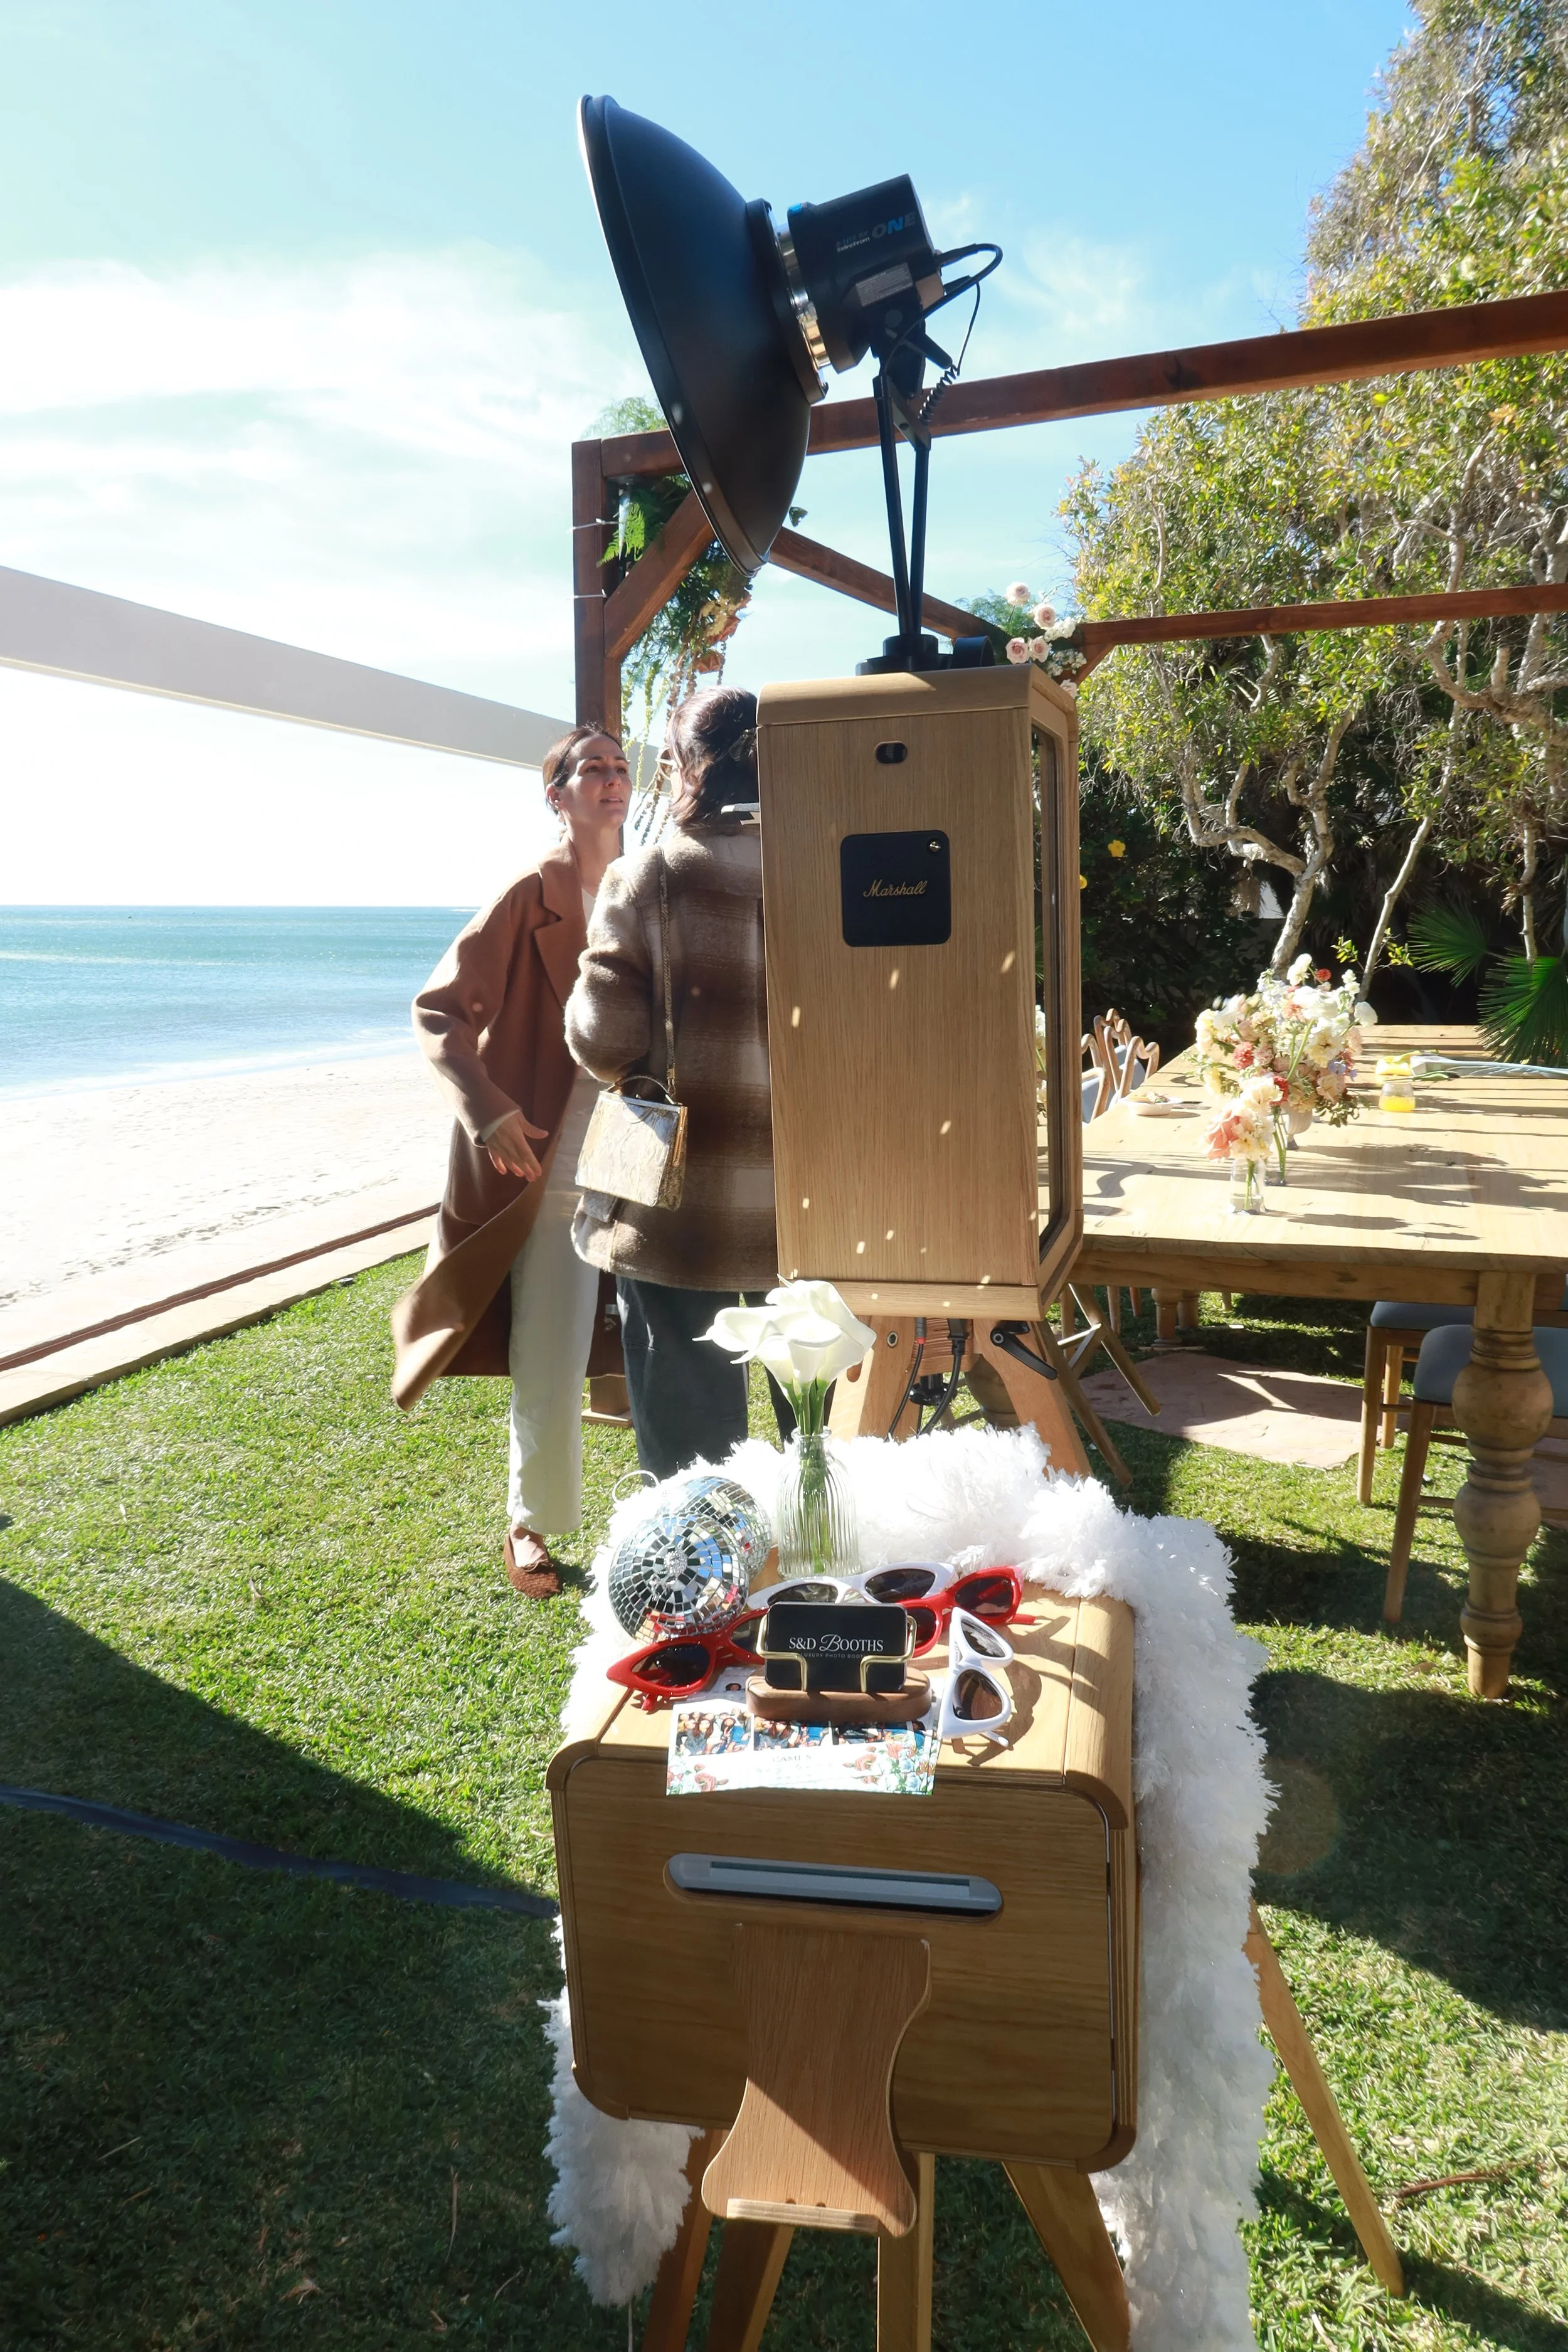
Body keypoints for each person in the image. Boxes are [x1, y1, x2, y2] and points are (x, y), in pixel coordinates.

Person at [391, 727, 630, 1596]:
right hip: (552, 1148)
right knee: (551, 1337)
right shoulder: (528, 895)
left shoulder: (645, 885)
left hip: (641, 1141)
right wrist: (487, 1110)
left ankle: (672, 1506)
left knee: (651, 1330)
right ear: (556, 796)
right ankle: (530, 1522)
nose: (610, 778)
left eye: (618, 765)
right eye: (590, 768)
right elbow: (438, 1010)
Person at [565, 688, 793, 1478]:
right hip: (809, 1196)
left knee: (689, 1442)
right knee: (825, 1428)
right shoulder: (824, 865)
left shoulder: (649, 874)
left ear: (684, 763)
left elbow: (605, 1039)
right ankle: (826, 1575)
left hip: (677, 1195)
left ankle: (707, 1590)